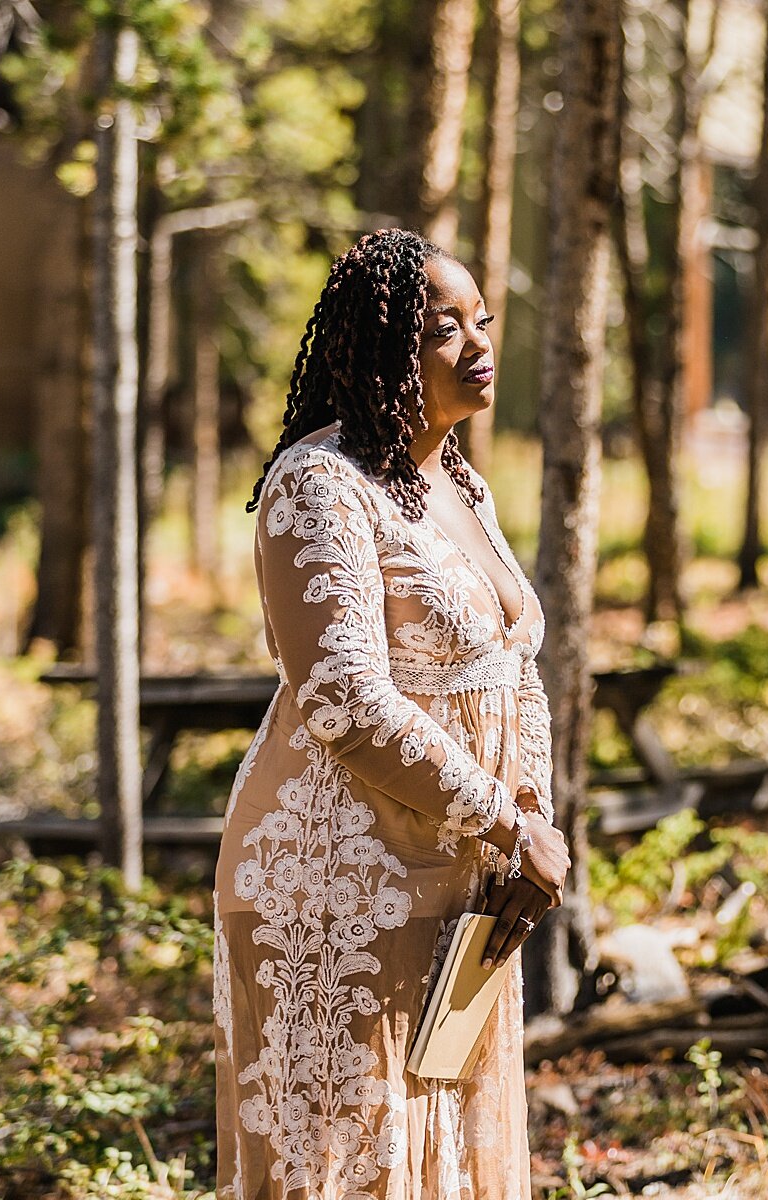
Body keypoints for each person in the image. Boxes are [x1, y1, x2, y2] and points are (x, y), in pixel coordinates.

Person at [213, 229, 569, 1199]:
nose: (477, 343)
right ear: (380, 351)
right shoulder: (318, 485)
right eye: (442, 328)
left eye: (483, 321)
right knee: (347, 1167)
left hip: (461, 889)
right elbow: (346, 701)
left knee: (443, 1148)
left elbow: (514, 663)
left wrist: (528, 814)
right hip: (334, 891)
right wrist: (505, 819)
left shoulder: (461, 483)